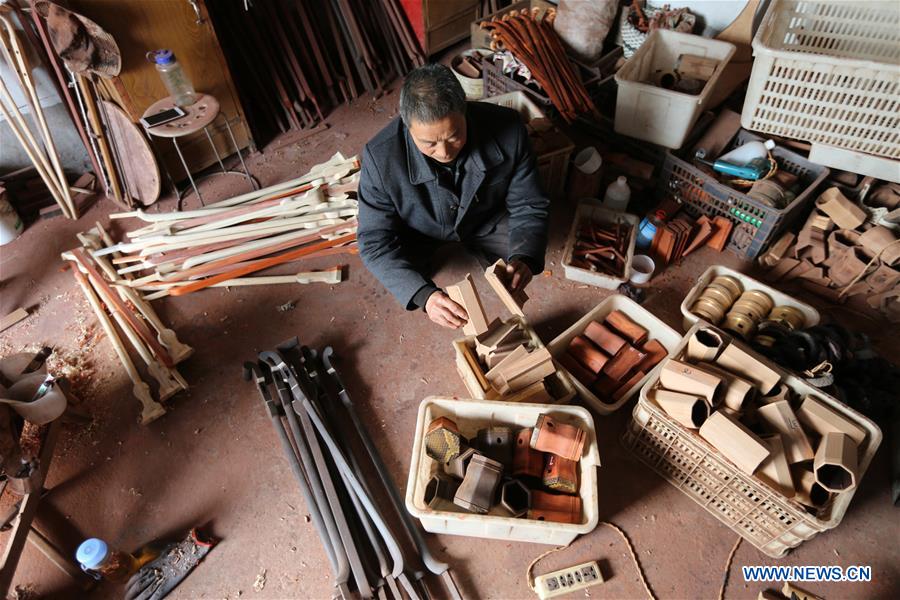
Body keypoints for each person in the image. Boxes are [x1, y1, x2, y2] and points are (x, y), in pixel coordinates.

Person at [357, 64, 550, 329]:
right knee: (404, 276)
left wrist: (524, 257)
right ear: (407, 126)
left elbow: (529, 204)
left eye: (454, 135)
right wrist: (425, 297)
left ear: (466, 109)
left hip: (486, 220)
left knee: (523, 254)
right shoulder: (380, 158)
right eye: (429, 143)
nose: (444, 151)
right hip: (418, 232)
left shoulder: (509, 128)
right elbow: (374, 241)